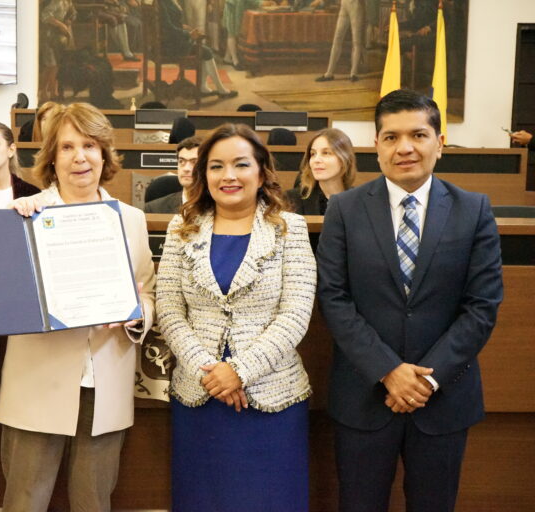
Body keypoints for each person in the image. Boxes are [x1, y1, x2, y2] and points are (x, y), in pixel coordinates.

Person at [316, 89, 503, 512]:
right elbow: (334, 297)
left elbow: (482, 305)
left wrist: (424, 380)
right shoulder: (344, 210)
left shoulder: (473, 210)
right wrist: (387, 370)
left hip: (444, 397)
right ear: (376, 147)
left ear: (440, 143)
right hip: (364, 396)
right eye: (391, 137)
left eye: (418, 135)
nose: (405, 148)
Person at [0, 102, 156, 512]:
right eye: (67, 147)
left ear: (105, 154)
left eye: (89, 145)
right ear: (52, 158)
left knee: (93, 503)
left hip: (106, 383)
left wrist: (138, 312)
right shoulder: (23, 216)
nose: (80, 157)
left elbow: (148, 293)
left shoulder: (133, 219)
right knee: (24, 503)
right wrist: (12, 232)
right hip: (36, 383)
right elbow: (0, 298)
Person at [156, 123, 317, 511]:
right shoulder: (183, 226)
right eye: (216, 166)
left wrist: (240, 371)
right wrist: (209, 372)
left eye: (241, 165)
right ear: (203, 174)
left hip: (271, 397)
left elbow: (295, 313)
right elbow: (169, 308)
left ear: (261, 172)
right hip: (200, 396)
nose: (228, 176)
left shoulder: (289, 228)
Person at [158, 0, 238, 99]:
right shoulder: (162, 3)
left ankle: (203, 86)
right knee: (206, 52)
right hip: (170, 47)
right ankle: (221, 90)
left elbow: (171, 24)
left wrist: (186, 28)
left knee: (204, 50)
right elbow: (168, 29)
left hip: (171, 43)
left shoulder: (166, 2)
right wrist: (189, 34)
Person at [285, 127, 357, 215]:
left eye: (326, 153)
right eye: (313, 154)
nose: (316, 160)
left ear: (344, 159)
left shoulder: (359, 200)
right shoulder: (292, 199)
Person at [144, 135, 201, 214]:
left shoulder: (219, 207)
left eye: (194, 162)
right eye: (181, 161)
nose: (186, 169)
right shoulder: (154, 209)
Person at [315, 0, 365, 82]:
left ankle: (354, 73)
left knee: (356, 41)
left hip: (356, 4)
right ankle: (329, 73)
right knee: (337, 39)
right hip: (344, 4)